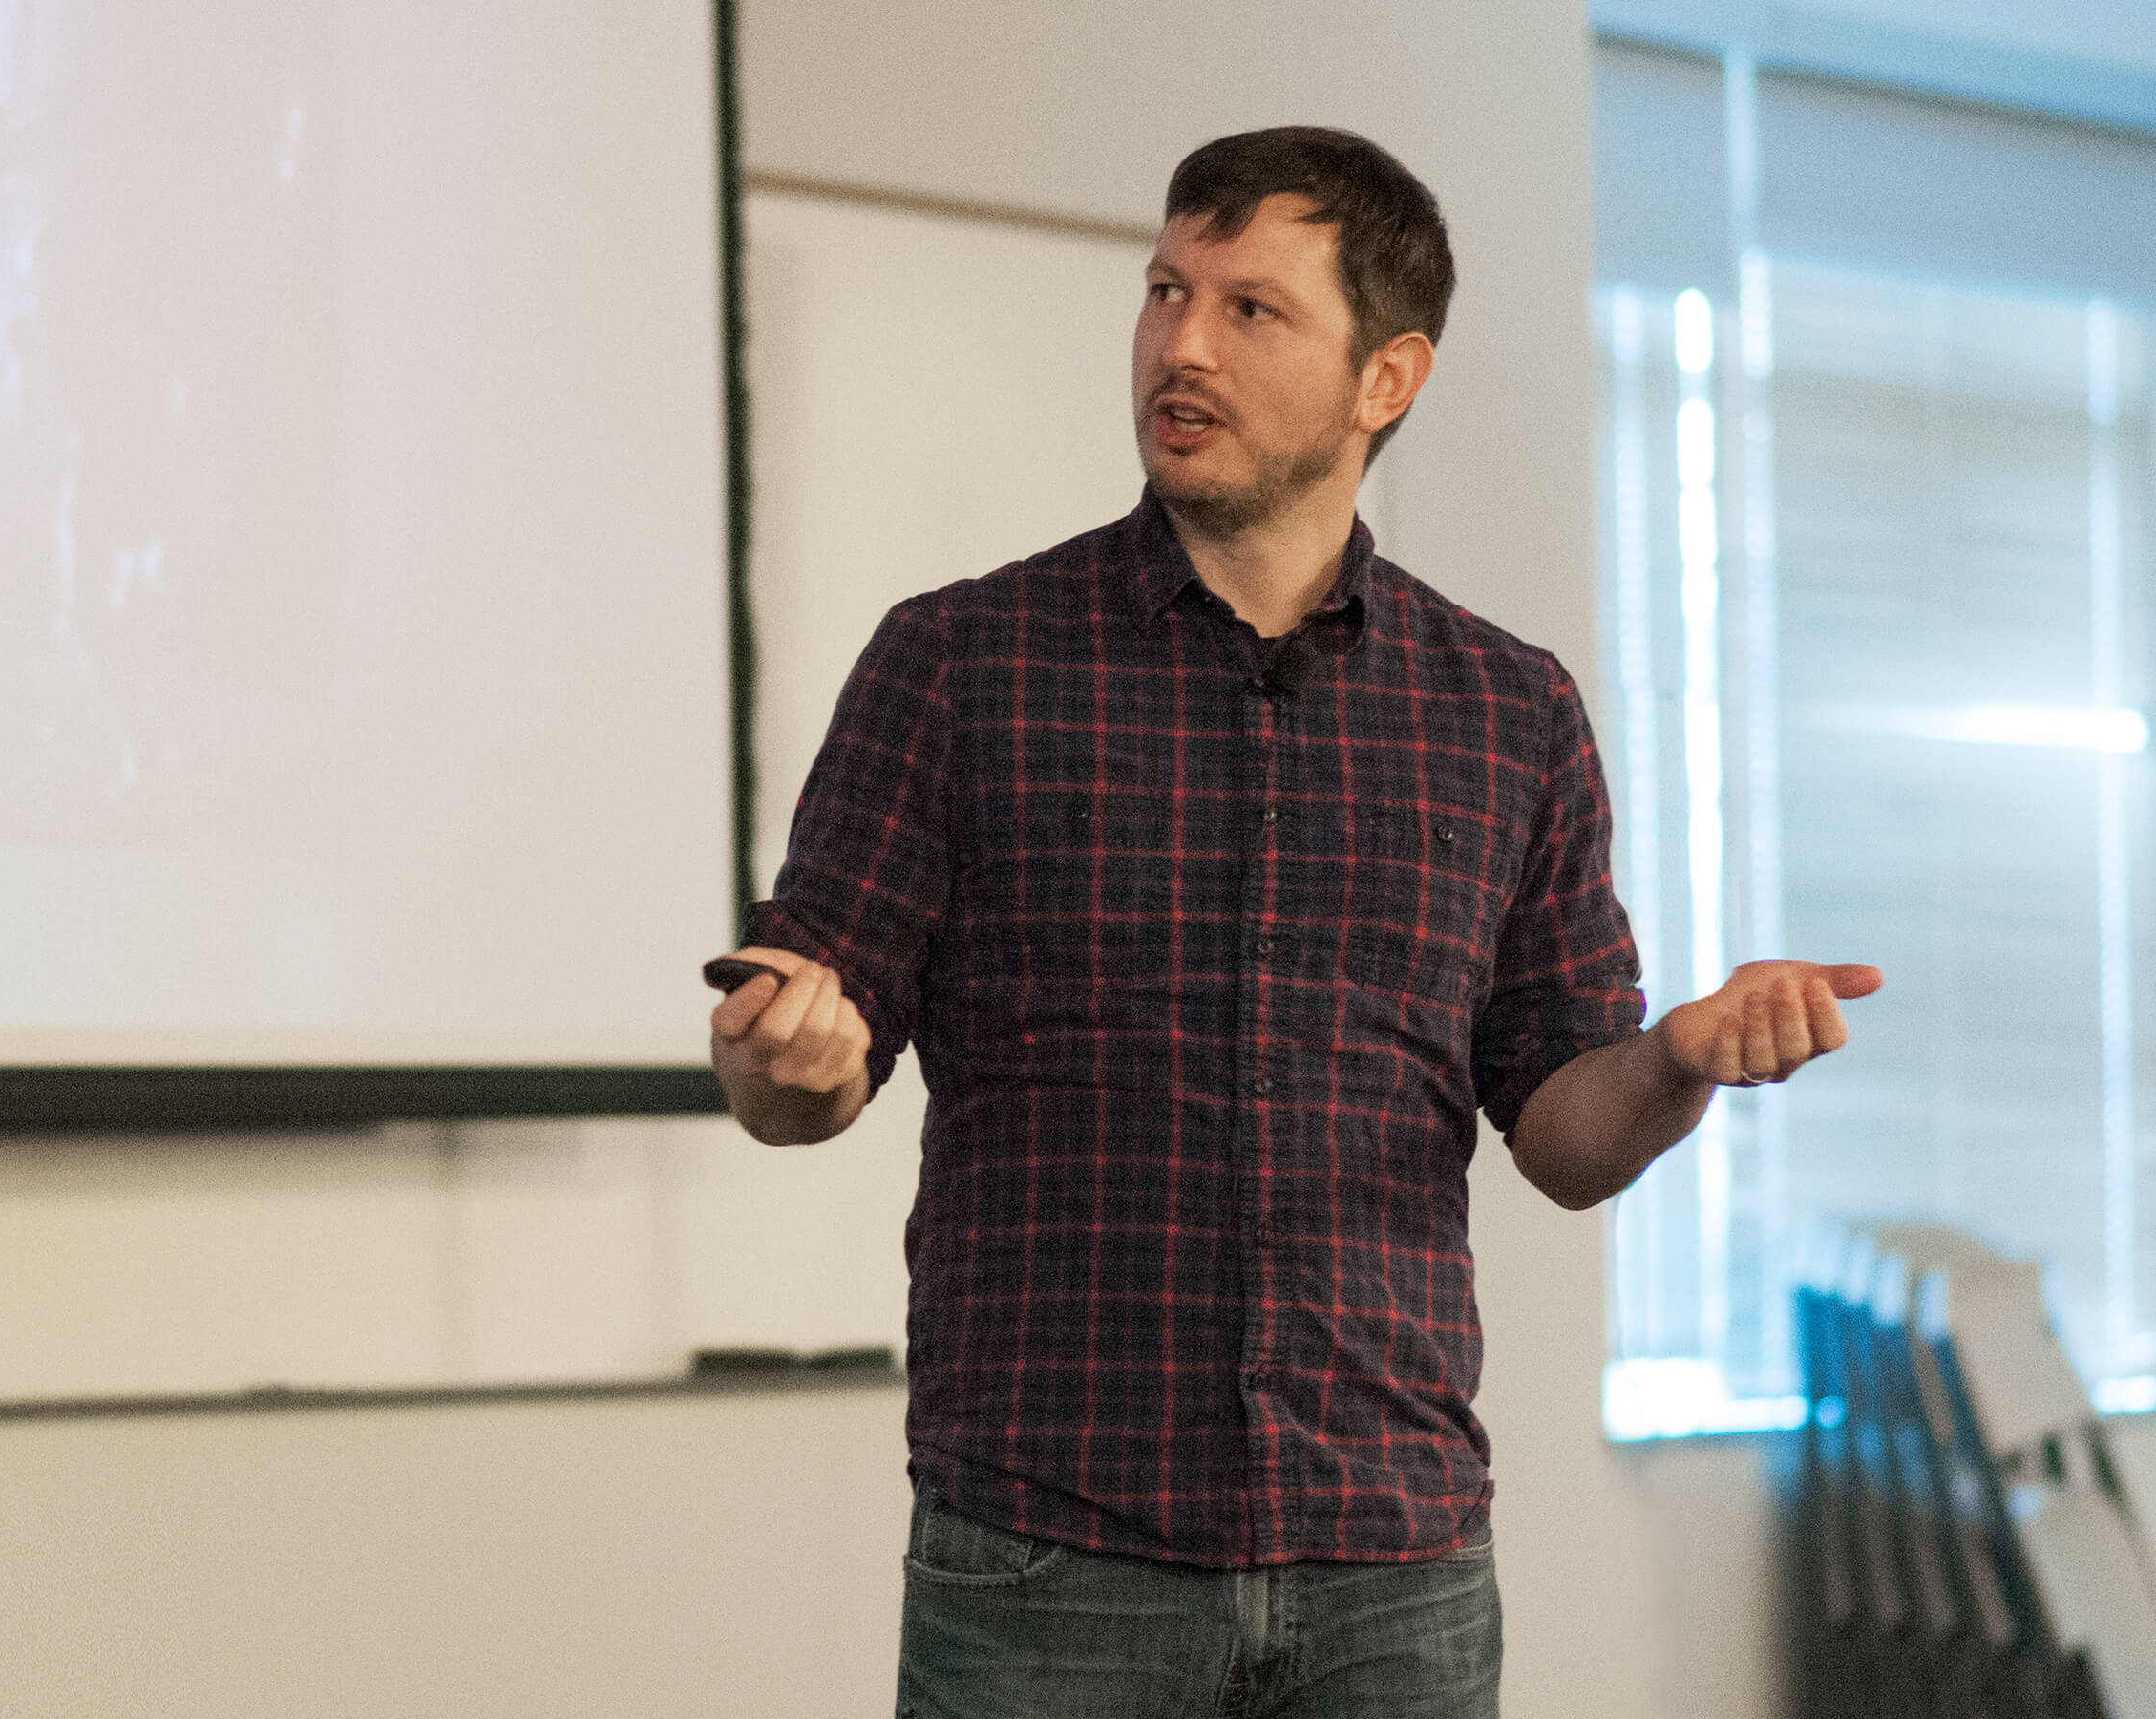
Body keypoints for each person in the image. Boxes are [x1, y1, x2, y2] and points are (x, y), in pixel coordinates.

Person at [708, 126, 1879, 1719]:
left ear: (1385, 379)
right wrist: (791, 1051)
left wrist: (1674, 1058)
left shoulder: (1509, 711)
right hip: (1051, 1561)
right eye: (1165, 291)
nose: (1179, 343)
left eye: (1250, 310)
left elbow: (1563, 1135)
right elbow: (800, 1077)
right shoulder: (961, 663)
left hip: (1394, 1566)